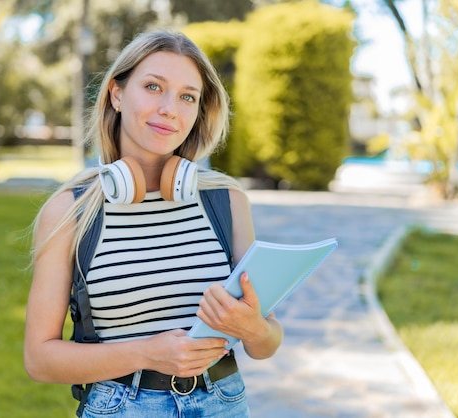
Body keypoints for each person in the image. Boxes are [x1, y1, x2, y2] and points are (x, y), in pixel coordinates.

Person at [24, 30, 284, 418]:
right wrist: (149, 353)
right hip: (121, 408)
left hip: (224, 403)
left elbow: (266, 344)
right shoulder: (70, 212)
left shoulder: (226, 201)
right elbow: (39, 359)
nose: (169, 109)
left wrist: (253, 328)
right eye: (152, 87)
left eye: (187, 96)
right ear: (116, 94)